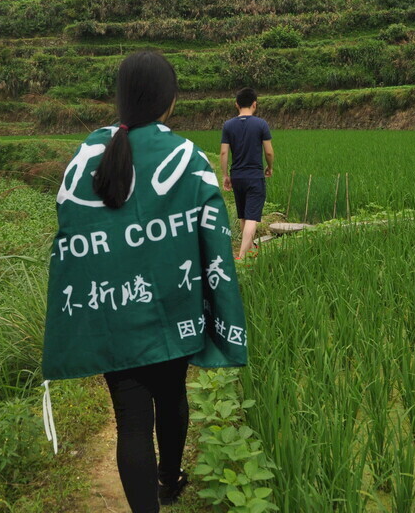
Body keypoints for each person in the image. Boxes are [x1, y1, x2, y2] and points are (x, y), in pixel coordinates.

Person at [41, 51, 248, 513]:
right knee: (172, 397)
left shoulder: (85, 157)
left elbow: (73, 240)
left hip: (114, 313)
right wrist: (219, 305)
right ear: (168, 100)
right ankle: (170, 480)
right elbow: (212, 235)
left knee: (131, 422)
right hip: (171, 311)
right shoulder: (185, 155)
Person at [219, 88, 274, 261]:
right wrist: (269, 167)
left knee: (243, 215)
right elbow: (269, 152)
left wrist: (225, 175)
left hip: (237, 176)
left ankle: (250, 250)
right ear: (254, 104)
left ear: (236, 104)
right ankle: (242, 256)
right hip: (254, 176)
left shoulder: (228, 125)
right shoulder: (261, 124)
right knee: (252, 218)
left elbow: (223, 153)